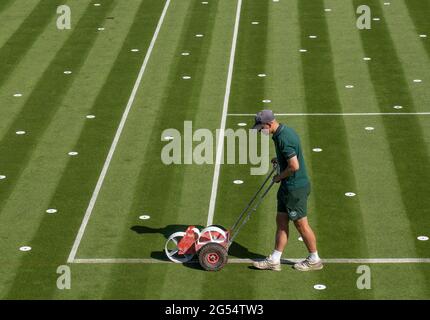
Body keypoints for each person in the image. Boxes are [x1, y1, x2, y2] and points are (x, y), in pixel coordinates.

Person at [251, 110, 323, 271]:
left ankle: (314, 259)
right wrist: (280, 160)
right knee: (281, 221)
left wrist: (279, 177)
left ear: (268, 124)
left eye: (261, 128)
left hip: (294, 189)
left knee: (301, 225)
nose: (260, 131)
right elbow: (291, 158)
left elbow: (294, 166)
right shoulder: (280, 132)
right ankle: (275, 259)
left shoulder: (284, 138)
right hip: (288, 187)